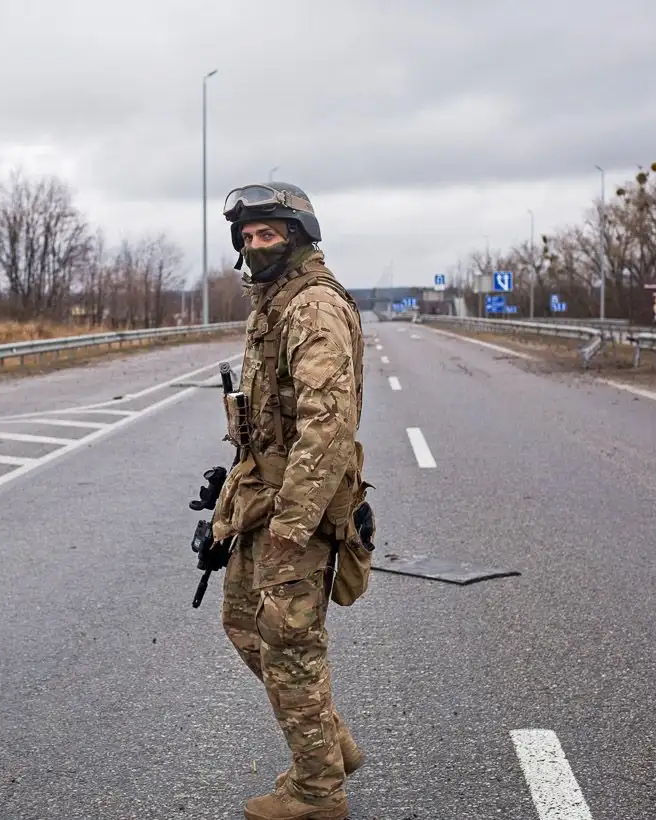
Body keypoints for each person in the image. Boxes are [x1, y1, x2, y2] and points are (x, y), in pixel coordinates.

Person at [209, 182, 369, 820]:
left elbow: (326, 430)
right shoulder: (274, 303)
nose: (255, 244)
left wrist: (289, 531)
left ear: (298, 235)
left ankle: (318, 791)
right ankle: (328, 744)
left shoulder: (312, 309)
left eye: (267, 233)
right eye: (247, 236)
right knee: (244, 623)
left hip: (299, 516)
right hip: (267, 504)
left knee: (290, 642)